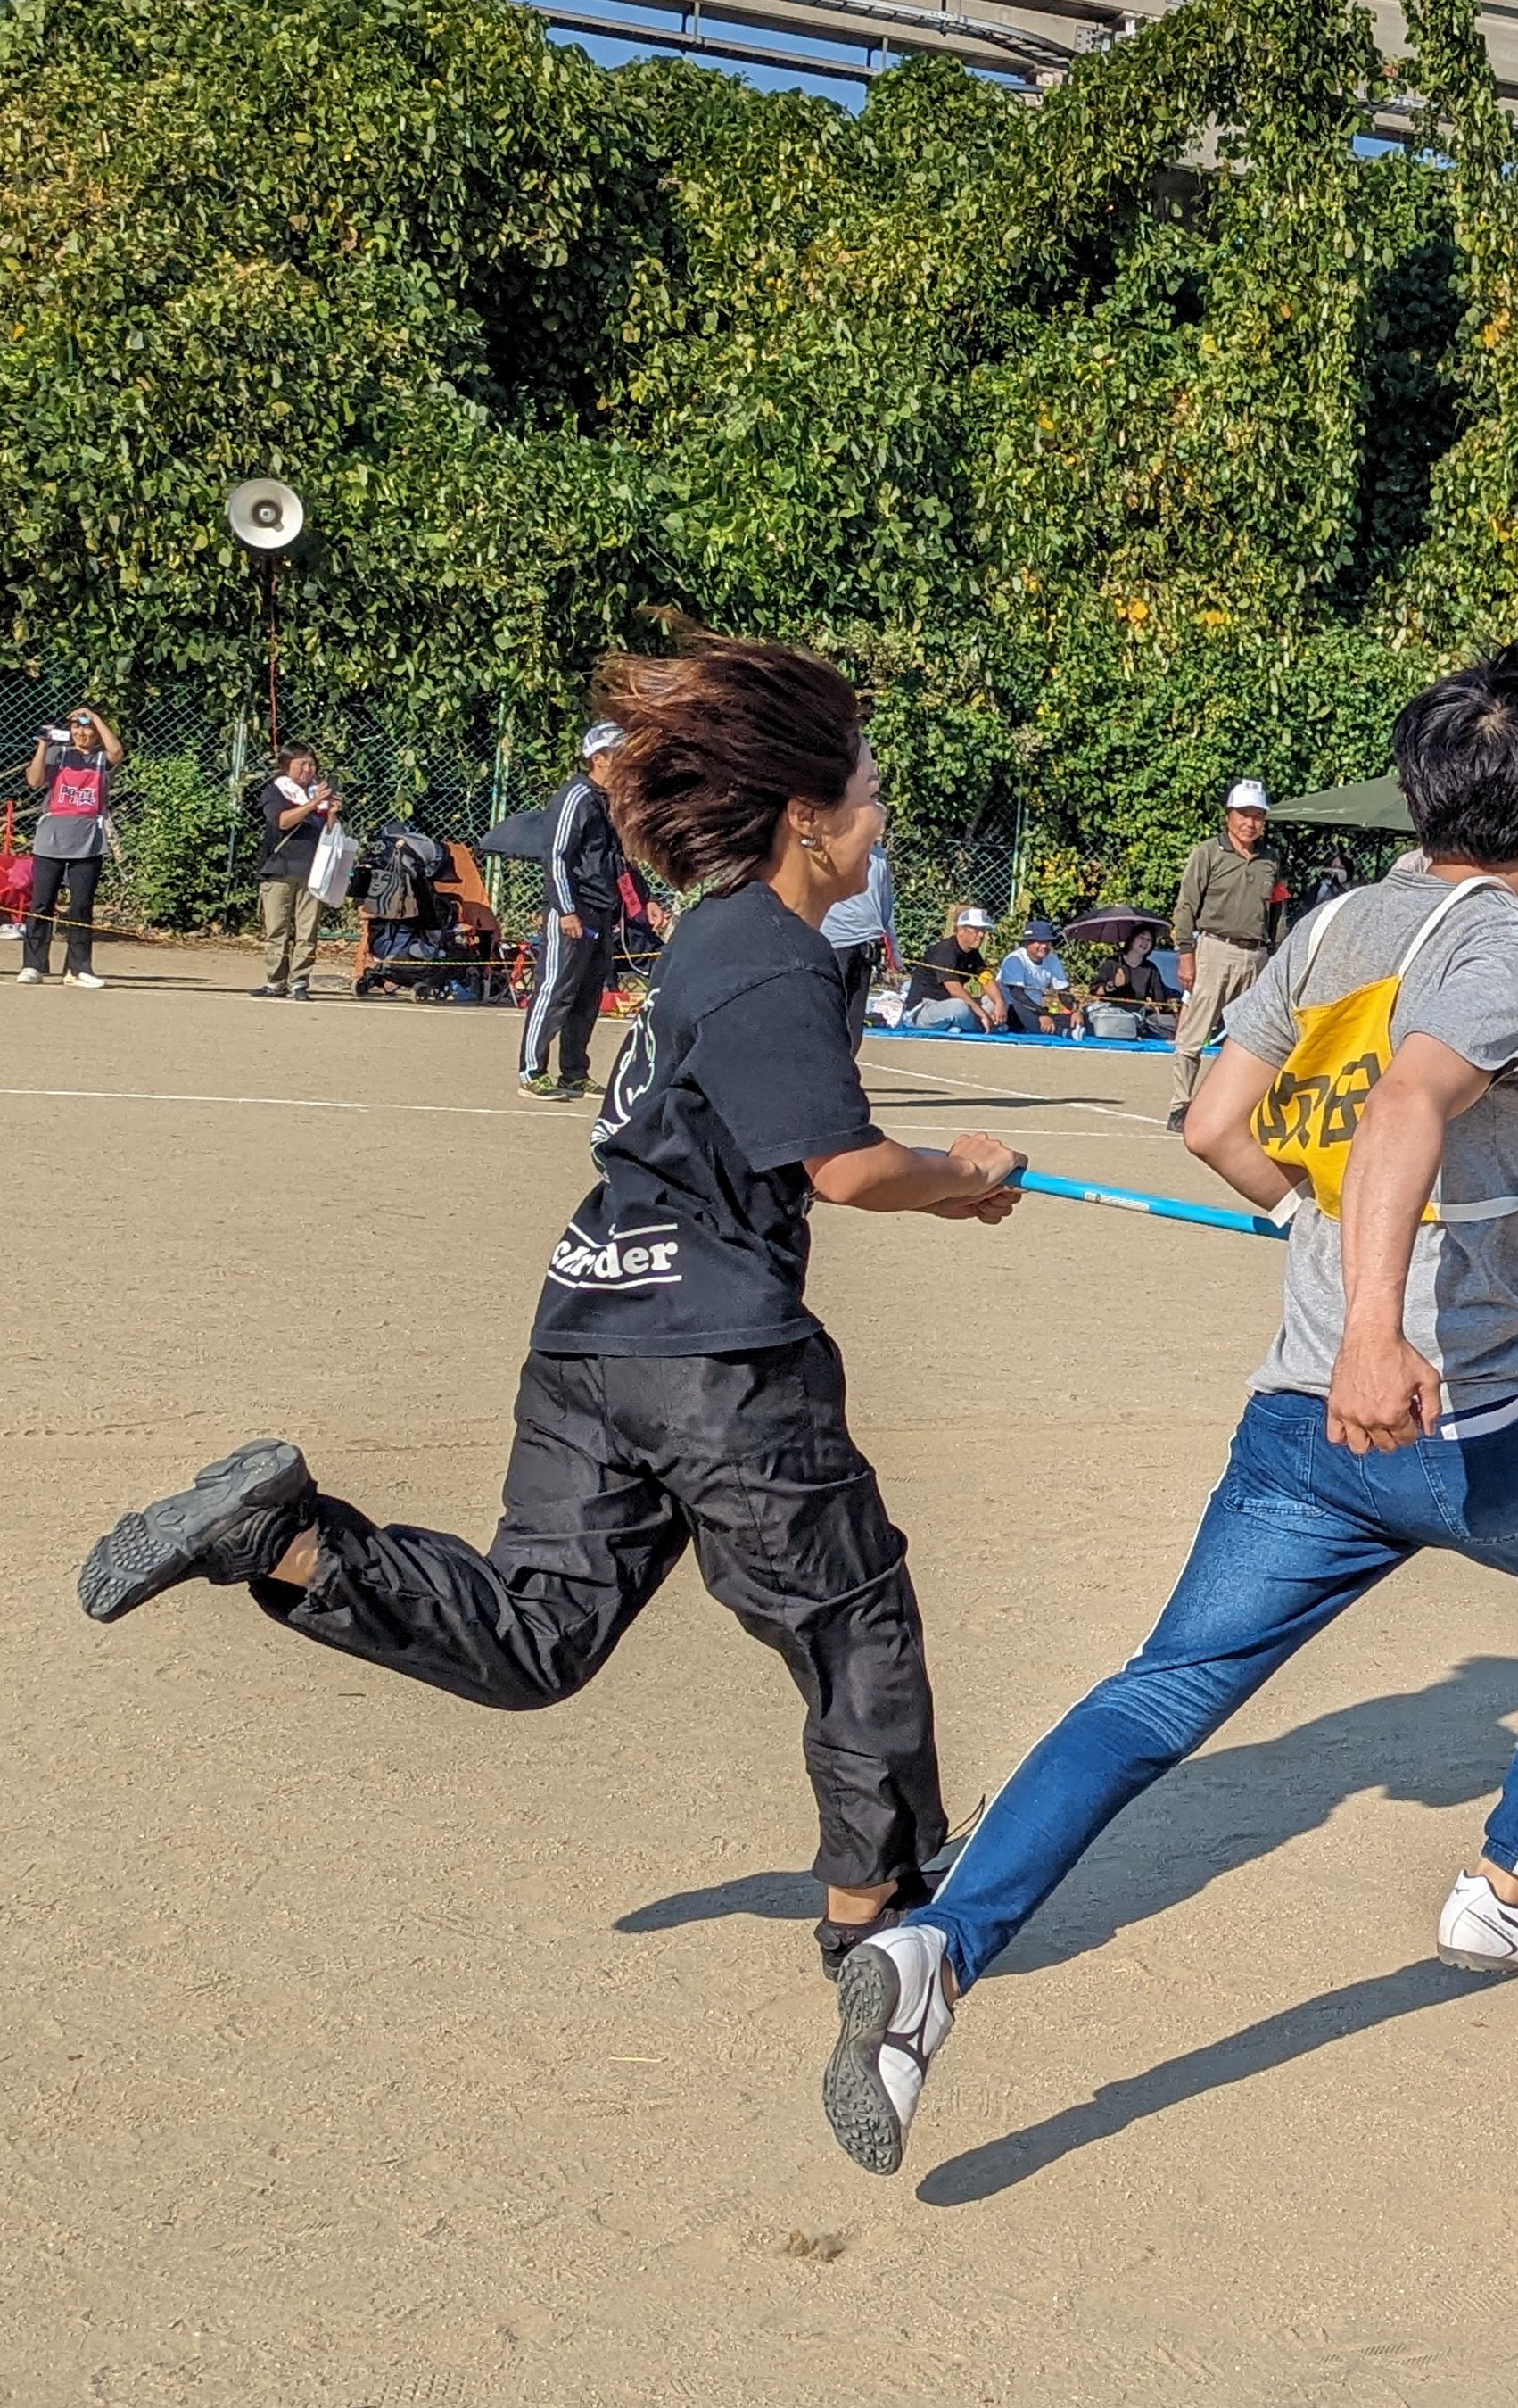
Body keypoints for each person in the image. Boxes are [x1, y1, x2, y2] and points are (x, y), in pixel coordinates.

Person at [823, 644, 1518, 2176]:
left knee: (1158, 1688)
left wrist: (1319, 1229)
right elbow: (1416, 1102)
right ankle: (1504, 1885)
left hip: (1297, 1423)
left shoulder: (1337, 921)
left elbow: (1215, 1125)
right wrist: (1376, 1319)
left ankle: (938, 1956)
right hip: (1452, 1415)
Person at [76, 635, 1022, 1978]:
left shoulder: (719, 941)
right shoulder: (771, 957)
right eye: (869, 795)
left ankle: (283, 1542)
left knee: (537, 1636)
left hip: (588, 1329)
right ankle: (878, 1926)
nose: (881, 819)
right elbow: (850, 1166)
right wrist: (962, 1176)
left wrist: (936, 1181)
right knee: (852, 1615)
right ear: (808, 822)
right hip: (717, 1360)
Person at [518, 724, 636, 1097]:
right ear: (597, 759)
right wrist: (566, 909)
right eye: (619, 755)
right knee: (555, 990)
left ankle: (574, 1071)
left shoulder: (609, 800)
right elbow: (556, 856)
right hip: (573, 910)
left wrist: (641, 901)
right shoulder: (576, 797)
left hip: (602, 911)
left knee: (587, 995)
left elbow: (618, 861)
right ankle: (531, 1071)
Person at [1167, 779, 1283, 1121]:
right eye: (1244, 814)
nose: (1250, 823)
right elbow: (1186, 905)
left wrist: (1278, 955)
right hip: (1215, 948)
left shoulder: (1271, 860)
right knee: (1195, 1032)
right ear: (1228, 816)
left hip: (1257, 955)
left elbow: (1277, 910)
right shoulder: (1207, 853)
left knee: (1253, 1034)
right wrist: (1186, 952)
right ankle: (1181, 1104)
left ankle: (1240, 1108)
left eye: (1258, 815)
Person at [19, 703, 122, 987]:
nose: (80, 731)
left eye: (85, 726)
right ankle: (33, 964)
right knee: (41, 904)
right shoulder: (57, 754)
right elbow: (34, 779)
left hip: (87, 842)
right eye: (75, 726)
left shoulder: (102, 759)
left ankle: (77, 969)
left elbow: (116, 751)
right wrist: (43, 744)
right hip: (50, 841)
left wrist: (96, 717)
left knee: (81, 907)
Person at [245, 743, 344, 998]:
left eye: (311, 764)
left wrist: (331, 813)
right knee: (277, 929)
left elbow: (329, 834)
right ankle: (275, 981)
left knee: (307, 931)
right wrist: (313, 804)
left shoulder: (320, 795)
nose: (308, 769)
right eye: (301, 764)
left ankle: (299, 982)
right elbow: (282, 821)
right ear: (286, 766)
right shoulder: (275, 791)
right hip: (279, 869)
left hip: (313, 870)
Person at [817, 839, 893, 1044]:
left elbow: (886, 903)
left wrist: (892, 947)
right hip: (836, 941)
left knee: (854, 1017)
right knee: (829, 1007)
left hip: (867, 943)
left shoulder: (879, 854)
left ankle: (845, 1068)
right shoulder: (835, 846)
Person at [900, 907, 1006, 1030]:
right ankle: (980, 1027)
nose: (981, 935)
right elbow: (955, 990)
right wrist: (982, 1013)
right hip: (925, 1008)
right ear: (961, 930)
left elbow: (986, 979)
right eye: (976, 930)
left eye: (983, 930)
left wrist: (999, 1002)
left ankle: (968, 1025)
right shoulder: (944, 951)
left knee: (993, 1000)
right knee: (959, 1007)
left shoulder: (973, 953)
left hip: (950, 1004)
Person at [994, 919, 1075, 1035]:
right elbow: (1017, 995)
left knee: (1074, 1018)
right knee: (1020, 1010)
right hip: (1014, 1008)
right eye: (1039, 942)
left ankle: (1054, 1027)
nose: (1044, 946)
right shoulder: (1015, 959)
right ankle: (1062, 1032)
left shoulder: (1052, 958)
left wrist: (1075, 1011)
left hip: (1037, 1009)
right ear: (1028, 943)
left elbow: (1063, 991)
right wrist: (1041, 1014)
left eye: (1047, 942)